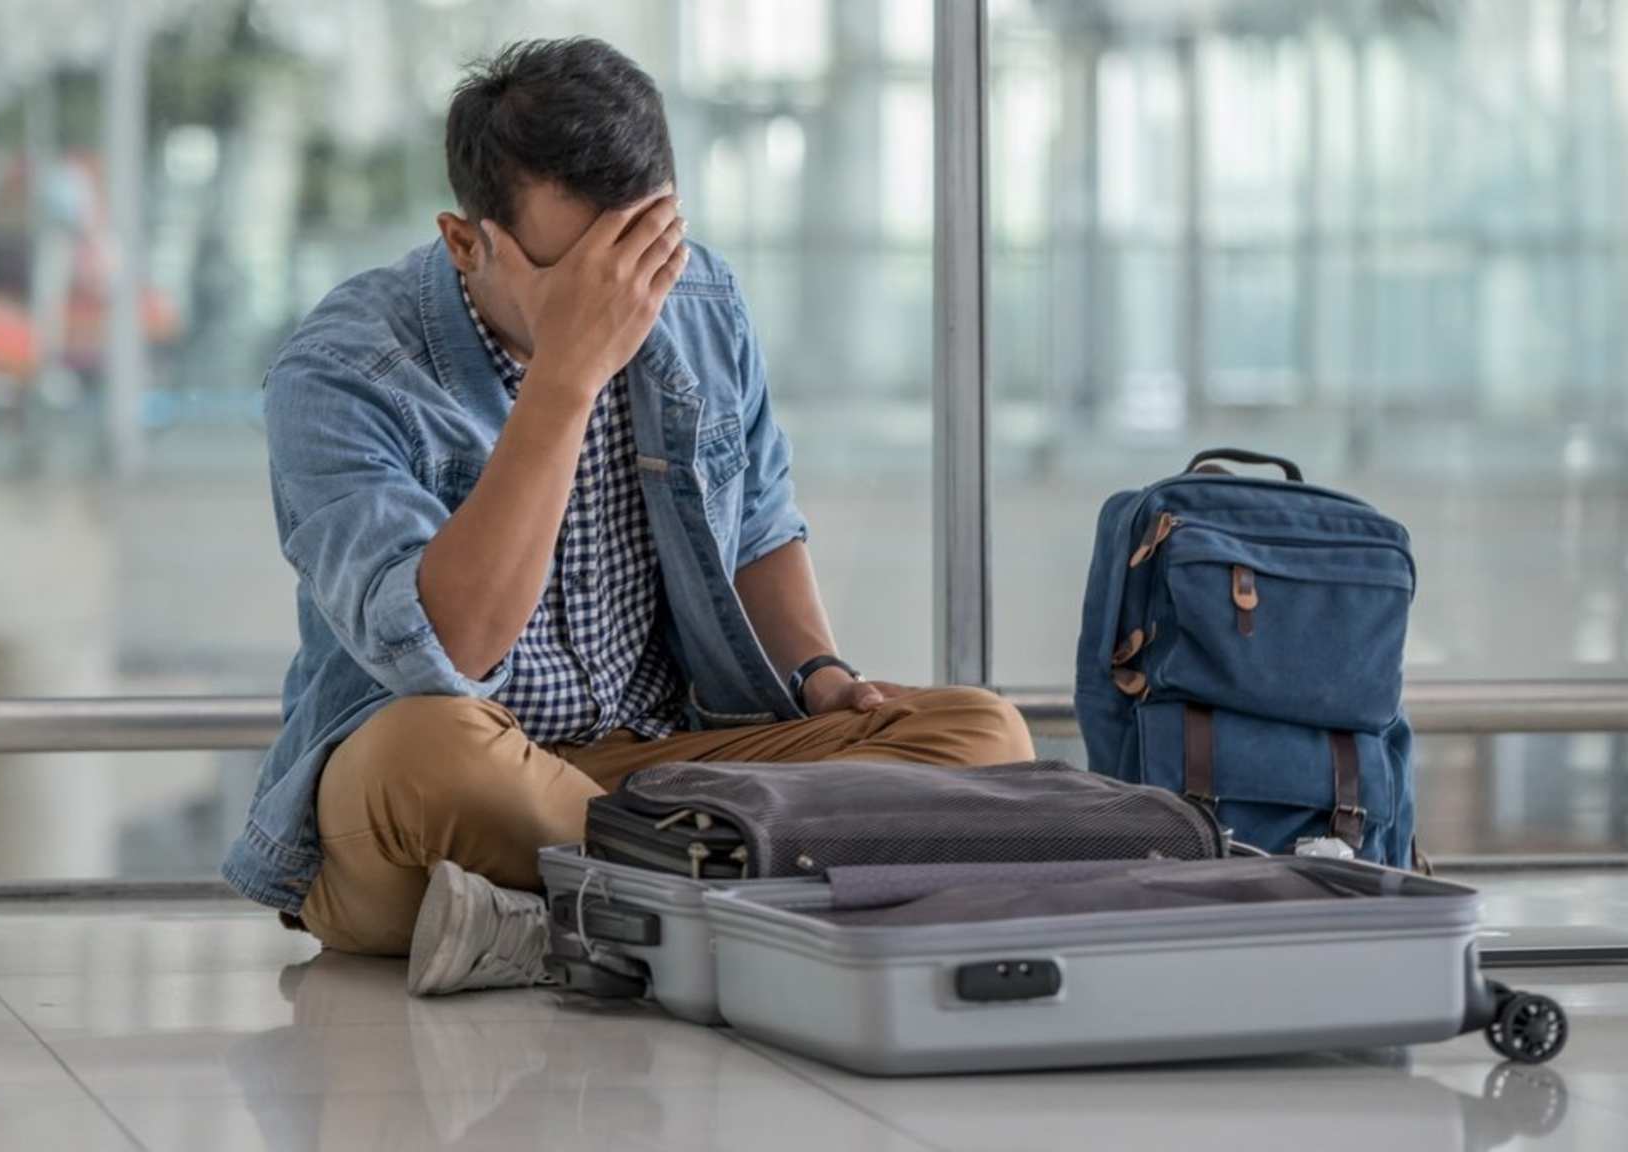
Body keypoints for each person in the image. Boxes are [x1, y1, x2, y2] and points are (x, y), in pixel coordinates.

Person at [221, 37, 1034, 995]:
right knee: (430, 752)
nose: (629, 297)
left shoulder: (701, 297)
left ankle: (569, 920)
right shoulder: (342, 369)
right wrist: (567, 377)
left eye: (648, 250)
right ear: (465, 241)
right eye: (582, 274)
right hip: (466, 785)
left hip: (664, 772)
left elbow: (760, 521)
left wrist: (817, 673)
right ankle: (738, 907)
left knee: (982, 736)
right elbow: (455, 647)